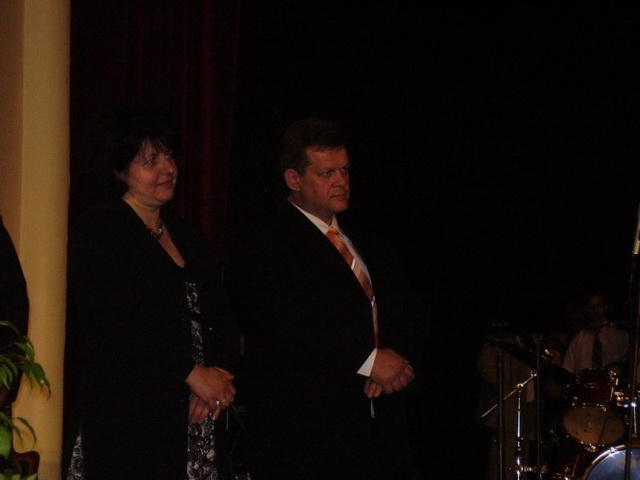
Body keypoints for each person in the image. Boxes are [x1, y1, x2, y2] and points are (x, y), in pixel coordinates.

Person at [224, 117, 425, 479]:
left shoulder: (367, 241)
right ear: (293, 179)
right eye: (327, 173)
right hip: (306, 441)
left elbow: (402, 309)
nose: (341, 181)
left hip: (378, 432)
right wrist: (368, 361)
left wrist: (396, 362)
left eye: (344, 170)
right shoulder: (264, 242)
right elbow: (285, 326)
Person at [64, 107, 239, 479]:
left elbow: (222, 316)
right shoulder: (99, 230)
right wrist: (192, 374)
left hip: (198, 414)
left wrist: (218, 378)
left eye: (169, 156)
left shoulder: (189, 235)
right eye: (150, 161)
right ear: (119, 171)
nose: (168, 168)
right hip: (130, 419)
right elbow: (116, 324)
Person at [562, 291, 629, 375]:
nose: (595, 310)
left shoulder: (619, 336)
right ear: (587, 309)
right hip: (584, 382)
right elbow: (567, 368)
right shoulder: (579, 338)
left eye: (598, 306)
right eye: (591, 306)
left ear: (605, 308)